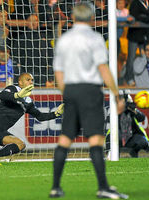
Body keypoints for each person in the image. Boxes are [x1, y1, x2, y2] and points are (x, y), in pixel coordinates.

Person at [50, 3, 128, 199]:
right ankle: (103, 187)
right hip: (90, 91)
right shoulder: (95, 38)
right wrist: (117, 95)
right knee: (95, 140)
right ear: (92, 18)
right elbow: (103, 69)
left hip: (70, 90)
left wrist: (65, 93)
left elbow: (58, 72)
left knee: (65, 139)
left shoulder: (64, 39)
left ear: (73, 17)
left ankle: (55, 188)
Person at [124, 0, 149, 86]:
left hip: (145, 35)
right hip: (134, 35)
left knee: (145, 58)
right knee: (131, 58)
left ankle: (144, 78)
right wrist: (147, 18)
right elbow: (135, 15)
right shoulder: (135, 3)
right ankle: (129, 78)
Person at [105, 93, 149, 158]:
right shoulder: (114, 109)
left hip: (131, 136)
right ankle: (114, 155)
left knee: (142, 141)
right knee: (114, 137)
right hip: (119, 135)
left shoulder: (132, 110)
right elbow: (110, 118)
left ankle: (134, 152)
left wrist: (133, 110)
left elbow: (142, 118)